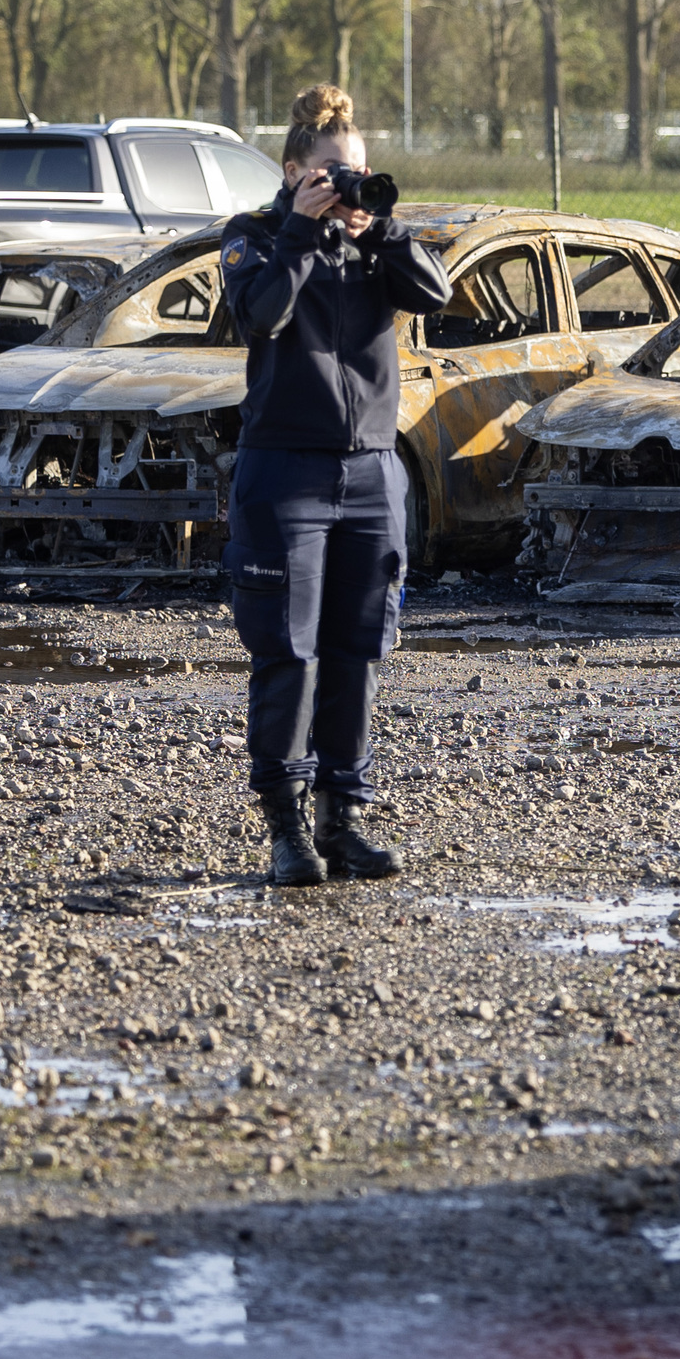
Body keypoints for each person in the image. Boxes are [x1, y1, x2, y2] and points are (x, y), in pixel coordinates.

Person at [216, 85, 450, 887]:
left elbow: (436, 294)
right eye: (329, 174)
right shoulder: (256, 236)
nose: (344, 184)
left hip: (371, 470)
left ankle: (343, 820)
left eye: (354, 172)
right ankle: (286, 829)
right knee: (290, 651)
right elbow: (260, 316)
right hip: (286, 468)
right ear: (292, 171)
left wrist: (376, 230)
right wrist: (302, 232)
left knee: (359, 650)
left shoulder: (370, 241)